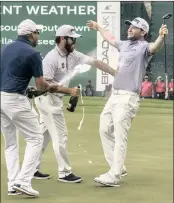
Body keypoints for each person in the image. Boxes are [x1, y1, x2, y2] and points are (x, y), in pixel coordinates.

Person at [0, 19, 79, 197]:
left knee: (11, 144)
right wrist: (53, 88)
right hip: (15, 100)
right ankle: (24, 181)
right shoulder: (33, 53)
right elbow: (42, 86)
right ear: (30, 34)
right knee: (35, 138)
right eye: (37, 33)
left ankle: (13, 184)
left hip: (1, 98)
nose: (38, 36)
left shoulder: (4, 48)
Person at [87, 17, 168, 186]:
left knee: (120, 136)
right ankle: (118, 167)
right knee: (104, 129)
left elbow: (155, 47)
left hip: (128, 97)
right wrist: (98, 27)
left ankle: (114, 175)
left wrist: (161, 37)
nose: (130, 29)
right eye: (129, 26)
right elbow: (110, 38)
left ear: (143, 32)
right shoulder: (124, 44)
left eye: (134, 27)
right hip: (114, 95)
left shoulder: (144, 48)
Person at [34, 24, 117, 182]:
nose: (75, 42)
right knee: (60, 135)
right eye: (72, 39)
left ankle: (31, 169)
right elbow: (45, 86)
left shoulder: (73, 54)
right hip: (48, 100)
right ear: (63, 39)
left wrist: (113, 72)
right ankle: (64, 172)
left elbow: (95, 62)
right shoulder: (51, 58)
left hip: (51, 100)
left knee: (42, 137)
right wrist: (69, 91)